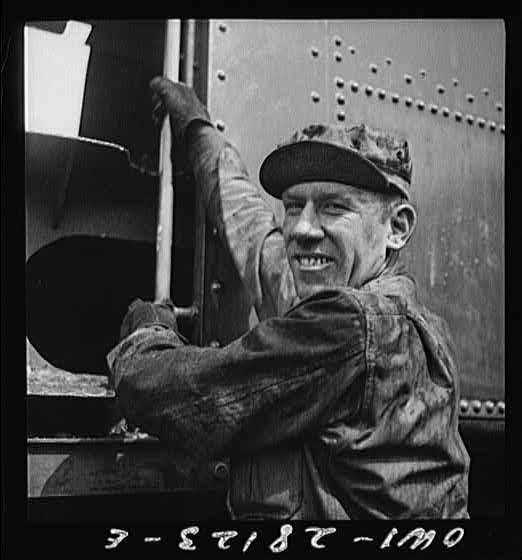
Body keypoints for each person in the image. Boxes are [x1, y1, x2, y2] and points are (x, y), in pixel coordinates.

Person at [106, 76, 470, 520]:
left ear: (397, 227)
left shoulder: (352, 327)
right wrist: (197, 128)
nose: (301, 229)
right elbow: (251, 225)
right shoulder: (386, 310)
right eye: (295, 205)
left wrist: (148, 332)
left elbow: (176, 395)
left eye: (334, 207)